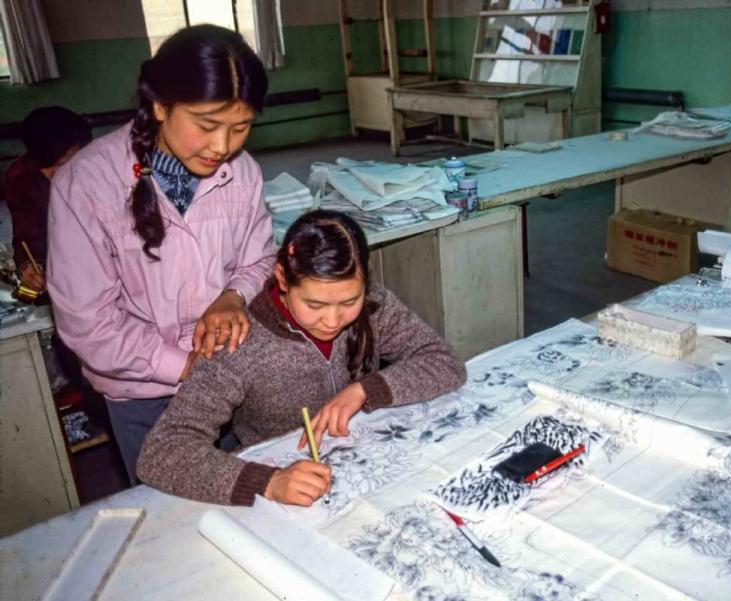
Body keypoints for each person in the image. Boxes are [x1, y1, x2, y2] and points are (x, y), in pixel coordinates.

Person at [47, 25, 276, 484]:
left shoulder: (243, 172)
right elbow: (88, 323)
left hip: (233, 376)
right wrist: (184, 365)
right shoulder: (87, 184)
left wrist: (233, 296)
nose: (223, 147)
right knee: (170, 511)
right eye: (206, 125)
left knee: (249, 491)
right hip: (146, 395)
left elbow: (258, 260)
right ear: (159, 105)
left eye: (241, 127)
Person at [136, 210, 467, 507]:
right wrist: (267, 482)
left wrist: (365, 390)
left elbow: (444, 361)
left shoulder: (374, 304)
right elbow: (162, 450)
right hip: (284, 484)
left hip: (369, 468)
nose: (333, 320)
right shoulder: (239, 343)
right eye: (315, 305)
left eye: (348, 302)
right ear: (282, 278)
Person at [5, 106, 92, 294]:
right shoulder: (22, 178)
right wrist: (27, 267)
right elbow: (27, 233)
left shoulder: (95, 166)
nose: (60, 178)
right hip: (64, 271)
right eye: (53, 171)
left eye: (68, 165)